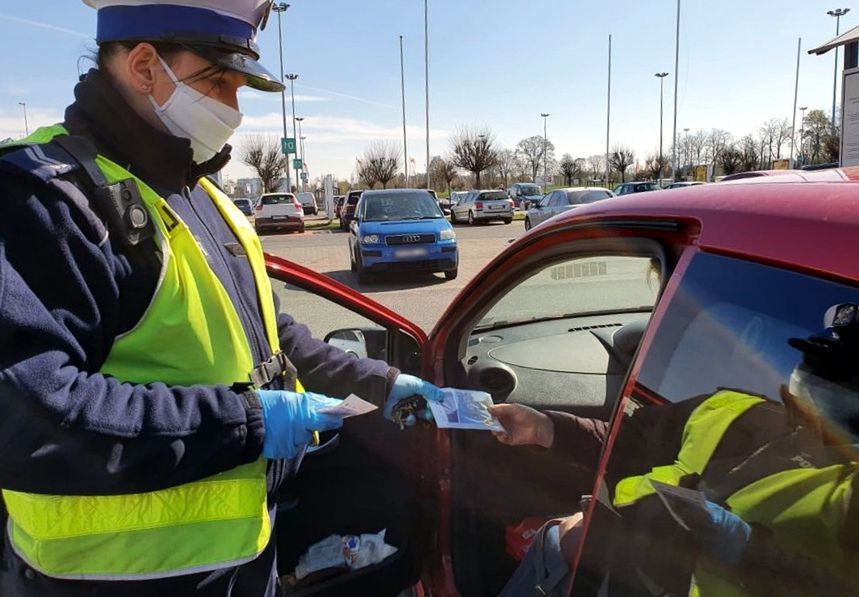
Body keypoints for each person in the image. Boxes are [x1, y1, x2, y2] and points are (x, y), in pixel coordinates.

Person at [0, 2, 441, 595]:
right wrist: (246, 424)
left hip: (241, 554)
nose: (232, 110)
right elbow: (29, 417)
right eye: (218, 82)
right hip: (113, 578)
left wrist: (380, 384)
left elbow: (272, 336)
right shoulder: (46, 197)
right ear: (144, 65)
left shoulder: (202, 195)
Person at [490, 303, 859, 596]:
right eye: (814, 363)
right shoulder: (728, 407)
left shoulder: (849, 495)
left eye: (839, 378)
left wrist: (750, 553)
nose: (812, 379)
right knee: (552, 541)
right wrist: (544, 428)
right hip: (617, 561)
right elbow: (628, 440)